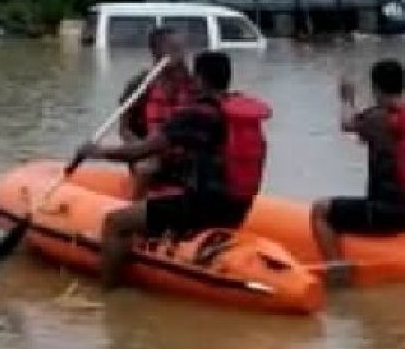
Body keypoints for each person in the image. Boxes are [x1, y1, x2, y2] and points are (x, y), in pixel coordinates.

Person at [75, 50, 272, 289]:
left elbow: (141, 151)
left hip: (202, 209)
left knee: (116, 222)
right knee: (166, 197)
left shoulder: (196, 115)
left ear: (199, 79)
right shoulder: (236, 110)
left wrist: (97, 152)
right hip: (238, 208)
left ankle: (107, 294)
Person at [311, 58, 405, 287]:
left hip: (386, 215)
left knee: (320, 210)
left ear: (376, 88)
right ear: (403, 85)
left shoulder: (377, 117)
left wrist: (347, 99)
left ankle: (337, 274)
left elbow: (347, 123)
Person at [119, 27, 195, 199]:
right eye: (173, 48)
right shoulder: (140, 84)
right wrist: (143, 148)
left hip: (182, 153)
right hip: (148, 151)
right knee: (147, 166)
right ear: (156, 51)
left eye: (181, 48)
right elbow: (124, 128)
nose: (181, 53)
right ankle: (133, 210)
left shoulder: (194, 83)